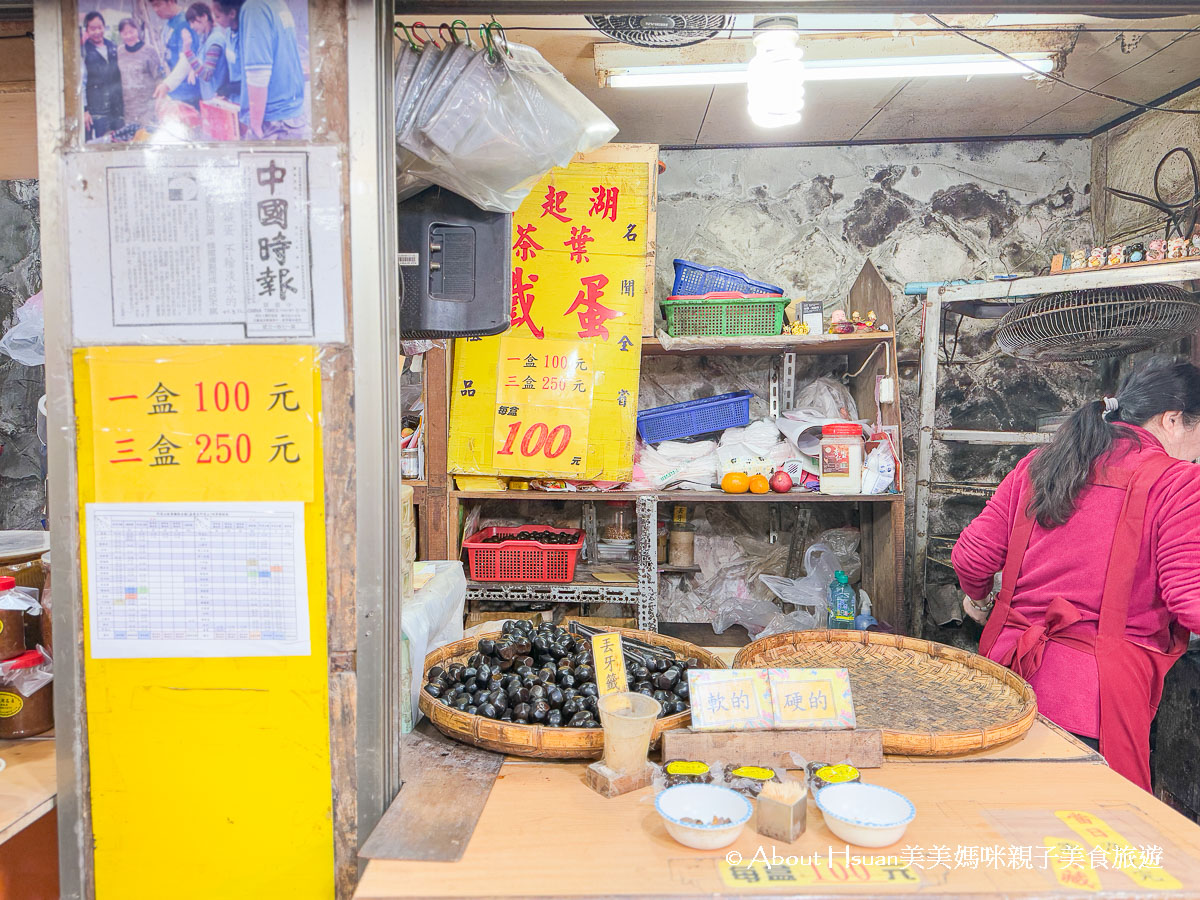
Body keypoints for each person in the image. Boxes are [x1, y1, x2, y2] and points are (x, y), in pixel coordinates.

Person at [952, 360, 1200, 792]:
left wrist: (978, 601)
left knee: (998, 826)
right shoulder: (1178, 482)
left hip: (1003, 687)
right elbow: (1192, 601)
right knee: (1085, 845)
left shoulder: (1043, 462)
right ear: (1173, 419)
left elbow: (973, 558)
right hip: (1093, 705)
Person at [211, 0, 308, 140]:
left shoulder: (254, 8)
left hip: (273, 120)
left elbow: (258, 73)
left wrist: (255, 124)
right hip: (291, 114)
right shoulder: (277, 4)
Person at [148, 0, 201, 108]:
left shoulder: (184, 23)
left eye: (158, 4)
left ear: (171, 1)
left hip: (187, 94)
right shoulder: (168, 23)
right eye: (153, 6)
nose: (155, 10)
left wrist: (167, 85)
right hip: (173, 91)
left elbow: (187, 60)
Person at [115, 18, 165, 128]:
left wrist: (159, 101)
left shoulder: (149, 50)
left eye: (131, 32)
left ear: (137, 30)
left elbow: (159, 78)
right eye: (125, 33)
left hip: (147, 108)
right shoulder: (119, 51)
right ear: (121, 34)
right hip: (128, 109)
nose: (128, 36)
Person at [81, 11, 124, 139]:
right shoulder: (83, 51)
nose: (97, 31)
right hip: (96, 111)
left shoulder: (113, 47)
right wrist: (84, 111)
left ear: (104, 27)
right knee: (100, 144)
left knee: (119, 141)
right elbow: (81, 84)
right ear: (87, 30)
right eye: (93, 28)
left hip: (116, 109)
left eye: (100, 27)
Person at [183, 3, 233, 101]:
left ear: (204, 17)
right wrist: (194, 69)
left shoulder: (215, 40)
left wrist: (188, 52)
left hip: (218, 100)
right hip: (210, 98)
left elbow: (206, 75)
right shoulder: (205, 37)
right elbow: (202, 62)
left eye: (193, 21)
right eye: (190, 23)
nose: (192, 26)